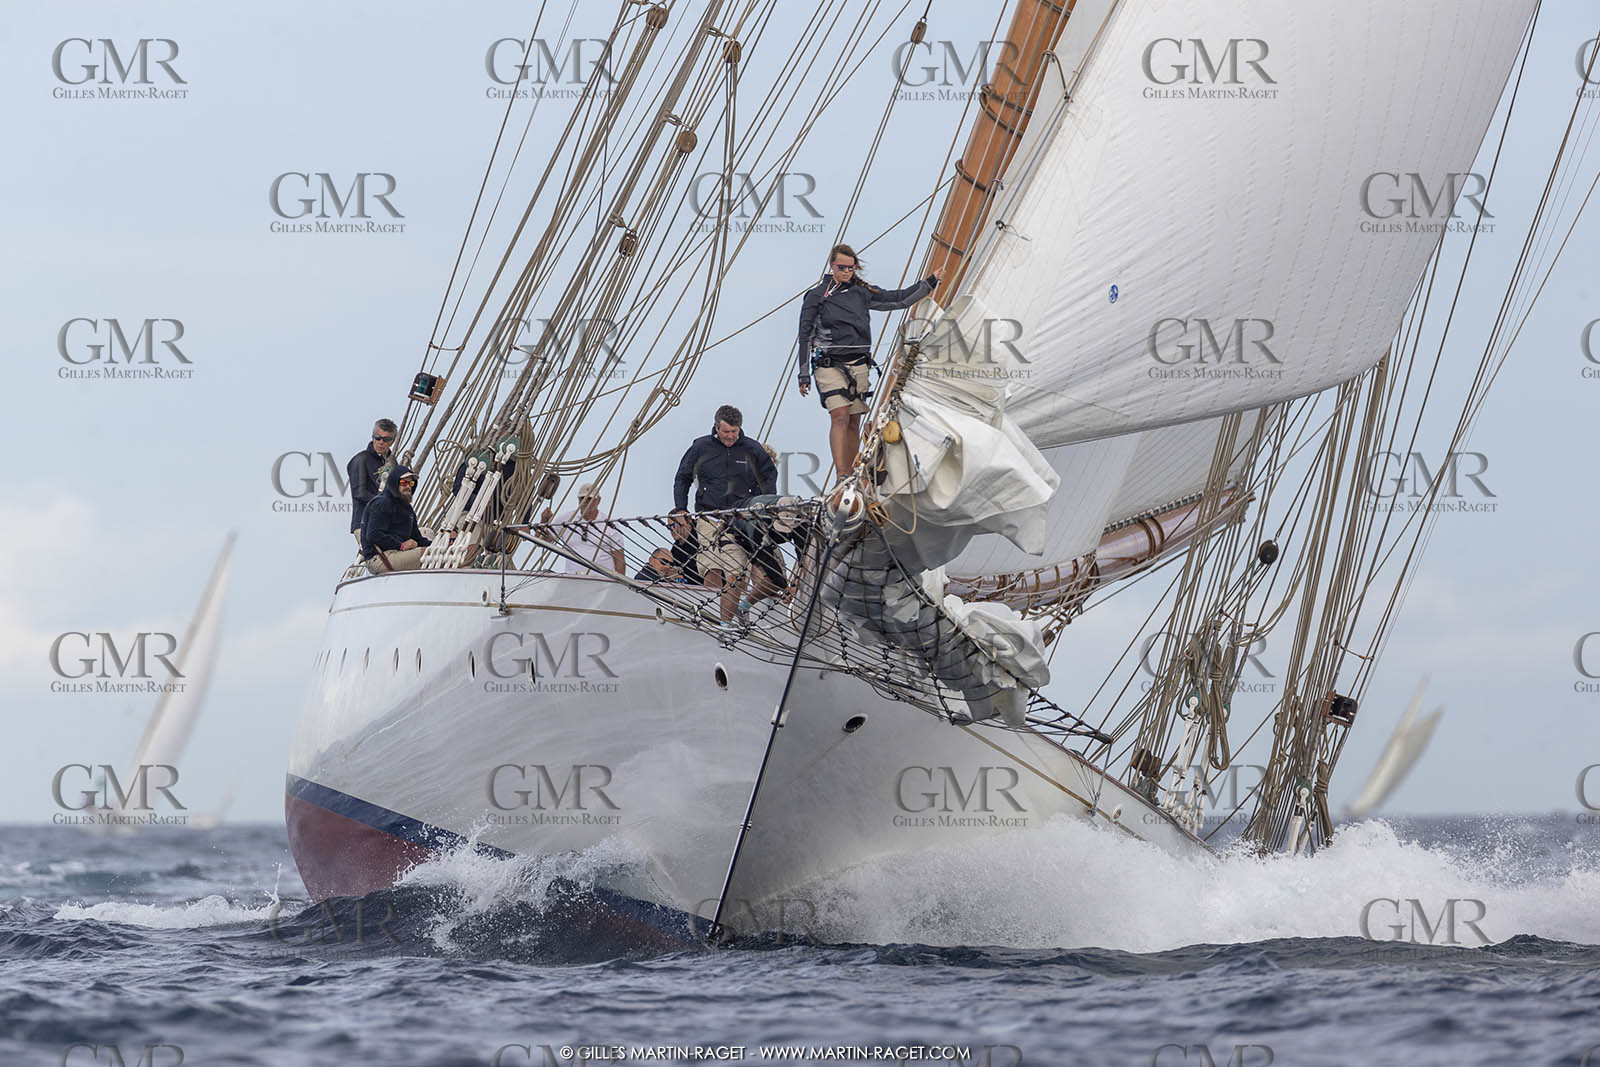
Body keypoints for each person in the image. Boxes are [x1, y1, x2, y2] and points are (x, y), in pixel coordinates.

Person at [796, 244, 943, 479]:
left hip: (858, 365)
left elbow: (899, 300)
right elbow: (804, 336)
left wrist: (929, 283)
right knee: (840, 416)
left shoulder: (861, 293)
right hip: (829, 364)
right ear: (831, 266)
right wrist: (803, 374)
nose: (846, 272)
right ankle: (842, 475)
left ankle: (852, 471)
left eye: (850, 268)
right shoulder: (816, 297)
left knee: (854, 421)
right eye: (841, 267)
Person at [672, 405, 777, 627]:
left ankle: (729, 619)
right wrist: (680, 508)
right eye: (726, 432)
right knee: (711, 568)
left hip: (740, 519)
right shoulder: (700, 446)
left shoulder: (752, 448)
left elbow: (769, 476)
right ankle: (713, 618)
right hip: (708, 516)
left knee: (735, 571)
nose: (730, 436)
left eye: (734, 432)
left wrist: (763, 506)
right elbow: (683, 478)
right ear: (716, 427)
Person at [540, 482, 624, 575]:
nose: (586, 502)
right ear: (578, 499)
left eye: (589, 499)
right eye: (582, 498)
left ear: (598, 500)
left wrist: (619, 587)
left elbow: (620, 561)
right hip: (573, 579)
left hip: (603, 581)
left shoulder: (610, 525)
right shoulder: (565, 519)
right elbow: (542, 541)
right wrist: (544, 522)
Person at [360, 466, 433, 574]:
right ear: (394, 482)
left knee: (439, 553)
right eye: (404, 483)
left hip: (396, 553)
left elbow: (417, 538)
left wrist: (440, 545)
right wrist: (401, 545)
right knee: (428, 555)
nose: (408, 486)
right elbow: (373, 535)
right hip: (379, 558)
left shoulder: (407, 509)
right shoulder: (382, 503)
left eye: (411, 483)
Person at [347, 418, 397, 548]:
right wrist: (386, 502)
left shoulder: (392, 463)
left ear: (392, 441)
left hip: (388, 524)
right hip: (365, 524)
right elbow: (359, 493)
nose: (381, 442)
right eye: (377, 438)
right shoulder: (361, 459)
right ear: (372, 437)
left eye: (386, 439)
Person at [666, 508, 704, 584]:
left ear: (688, 524)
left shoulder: (702, 538)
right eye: (669, 527)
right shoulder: (675, 549)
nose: (672, 529)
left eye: (674, 525)